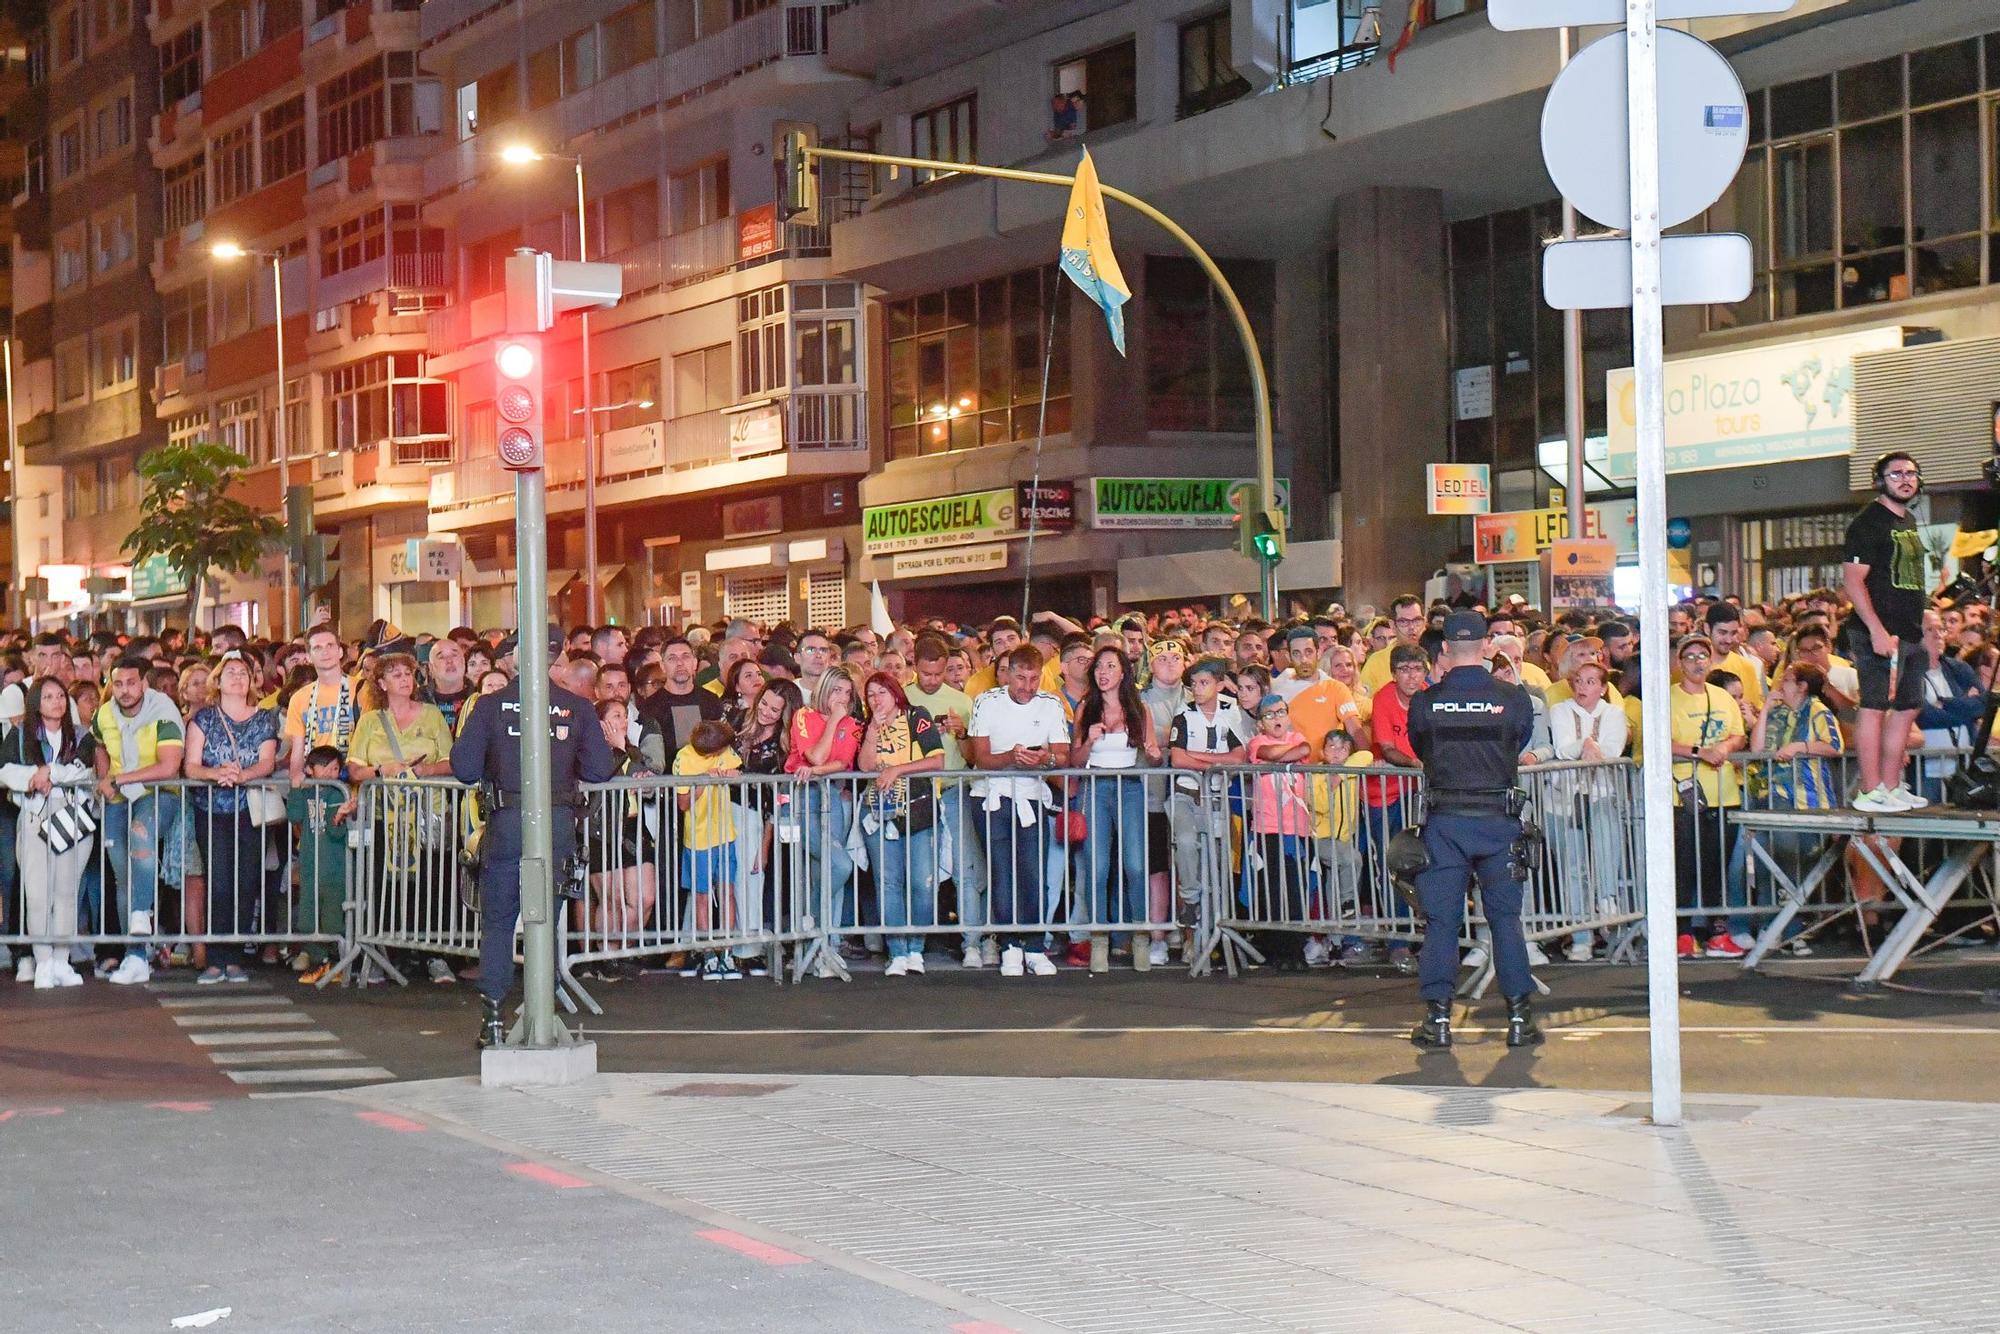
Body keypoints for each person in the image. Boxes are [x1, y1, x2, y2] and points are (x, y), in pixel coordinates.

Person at [451, 625, 616, 1047]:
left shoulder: (489, 707)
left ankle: (492, 1018)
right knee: (546, 919)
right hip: (557, 823)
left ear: (514, 655)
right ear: (557, 656)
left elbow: (465, 768)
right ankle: (542, 1009)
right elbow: (599, 770)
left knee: (500, 922)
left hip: (507, 821)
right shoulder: (575, 709)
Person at [1406, 612, 1540, 1050]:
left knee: (1442, 921)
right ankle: (1519, 1017)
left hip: (1446, 821)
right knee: (1505, 919)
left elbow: (1420, 748)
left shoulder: (1426, 702)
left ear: (1443, 648)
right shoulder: (1514, 698)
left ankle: (1438, 1019)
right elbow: (1517, 744)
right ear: (1487, 646)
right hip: (1498, 821)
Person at [345, 651, 458, 984]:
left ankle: (433, 955)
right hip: (385, 816)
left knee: (431, 885)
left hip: (426, 816)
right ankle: (383, 952)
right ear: (381, 683)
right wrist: (382, 769)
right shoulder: (370, 721)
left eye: (408, 673)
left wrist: (425, 770)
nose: (405, 680)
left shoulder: (433, 715)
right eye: (395, 675)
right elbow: (353, 768)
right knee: (382, 885)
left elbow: (452, 760)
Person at [968, 645, 1071, 977]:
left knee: (1032, 872)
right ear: (1007, 673)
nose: (1027, 686)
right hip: (992, 796)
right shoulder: (986, 702)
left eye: (1033, 678)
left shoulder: (1051, 703)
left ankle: (1035, 945)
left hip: (1032, 796)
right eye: (1021, 677)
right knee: (1002, 872)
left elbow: (1063, 757)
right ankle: (1010, 944)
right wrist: (1011, 758)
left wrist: (1043, 760)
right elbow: (980, 757)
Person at [1841, 451, 1931, 811]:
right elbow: (1853, 581)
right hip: (1877, 631)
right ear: (1880, 480)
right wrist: (1876, 629)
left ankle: (1892, 786)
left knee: (1908, 707)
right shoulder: (1867, 524)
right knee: (1874, 707)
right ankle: (1870, 789)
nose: (1905, 479)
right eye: (1896, 474)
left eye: (1911, 473)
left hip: (1909, 631)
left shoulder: (1907, 519)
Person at [184, 652, 280, 985]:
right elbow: (191, 765)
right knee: (219, 880)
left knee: (246, 880)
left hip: (249, 807)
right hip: (211, 807)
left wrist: (244, 774)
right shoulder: (204, 719)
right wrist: (216, 773)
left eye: (243, 672)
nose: (237, 678)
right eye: (230, 673)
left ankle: (236, 956)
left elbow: (268, 761)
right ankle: (215, 956)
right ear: (218, 681)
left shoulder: (264, 718)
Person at [91, 655, 186, 986]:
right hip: (118, 797)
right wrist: (106, 779)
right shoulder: (103, 713)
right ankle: (135, 956)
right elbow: (100, 745)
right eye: (118, 683)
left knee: (141, 839)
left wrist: (121, 779)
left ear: (144, 682)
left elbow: (169, 766)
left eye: (131, 682)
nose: (125, 690)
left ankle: (139, 917)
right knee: (122, 877)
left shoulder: (164, 712)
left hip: (159, 793)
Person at [2, 677, 98, 988]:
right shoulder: (19, 736)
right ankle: (42, 960)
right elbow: (5, 770)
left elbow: (83, 771)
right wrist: (33, 776)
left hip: (72, 818)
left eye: (60, 696)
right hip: (34, 817)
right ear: (35, 703)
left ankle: (61, 959)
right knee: (38, 893)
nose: (56, 702)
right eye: (48, 697)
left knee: (67, 892)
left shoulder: (81, 736)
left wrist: (51, 772)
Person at [1071, 646, 1160, 972]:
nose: (1103, 672)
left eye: (1110, 666)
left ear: (1123, 672)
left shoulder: (1139, 708)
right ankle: (1099, 941)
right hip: (1096, 787)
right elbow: (1075, 761)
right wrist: (1089, 742)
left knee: (1136, 866)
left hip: (1131, 787)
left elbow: (1154, 756)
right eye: (1099, 667)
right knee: (1097, 867)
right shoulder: (1086, 708)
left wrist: (1152, 752)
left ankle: (1139, 937)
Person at [857, 672, 945, 976]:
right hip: (879, 810)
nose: (876, 699)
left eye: (882, 692)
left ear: (895, 693)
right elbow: (865, 766)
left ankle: (916, 948)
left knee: (921, 883)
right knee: (889, 883)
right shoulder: (867, 726)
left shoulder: (917, 716)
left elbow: (937, 760)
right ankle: (896, 951)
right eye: (870, 694)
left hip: (917, 809)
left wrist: (898, 770)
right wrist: (871, 731)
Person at [906, 636, 987, 969]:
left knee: (965, 871)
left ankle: (972, 943)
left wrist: (962, 734)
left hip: (955, 790)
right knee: (920, 874)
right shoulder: (901, 698)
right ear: (915, 667)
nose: (933, 680)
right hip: (918, 794)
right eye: (926, 674)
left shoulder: (962, 701)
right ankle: (914, 945)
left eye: (938, 673)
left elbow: (973, 758)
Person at [1669, 633, 1748, 959]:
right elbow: (1662, 741)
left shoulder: (1722, 697)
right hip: (1685, 795)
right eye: (1690, 657)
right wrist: (1701, 752)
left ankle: (1718, 932)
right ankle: (1683, 933)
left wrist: (1724, 748)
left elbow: (1738, 735)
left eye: (1703, 655)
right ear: (1679, 663)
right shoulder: (1669, 698)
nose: (1697, 662)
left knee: (1718, 867)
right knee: (1685, 866)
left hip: (1724, 793)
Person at [1547, 659, 1629, 963]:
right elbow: (1563, 748)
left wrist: (1590, 747)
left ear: (1603, 688)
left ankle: (1607, 899)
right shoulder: (1560, 711)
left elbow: (1613, 750)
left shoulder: (1613, 713)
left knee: (1607, 838)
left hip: (1602, 792)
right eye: (1579, 681)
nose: (1583, 687)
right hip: (1565, 797)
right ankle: (1581, 936)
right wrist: (1588, 743)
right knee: (1574, 866)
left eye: (1591, 681)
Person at [1243, 695, 1315, 971]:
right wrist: (1288, 754)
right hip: (1268, 829)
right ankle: (1277, 950)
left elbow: (1305, 749)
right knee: (1273, 889)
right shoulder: (1257, 743)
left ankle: (1295, 950)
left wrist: (1286, 754)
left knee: (1297, 889)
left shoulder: (1299, 738)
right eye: (1269, 715)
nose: (1276, 718)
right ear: (1260, 723)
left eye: (1281, 713)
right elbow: (1269, 754)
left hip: (1297, 829)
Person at [674, 718, 744, 980]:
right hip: (698, 839)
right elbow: (683, 803)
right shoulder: (684, 757)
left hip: (725, 835)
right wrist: (705, 780)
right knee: (702, 896)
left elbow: (738, 770)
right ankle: (708, 955)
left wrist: (732, 775)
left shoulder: (725, 750)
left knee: (727, 892)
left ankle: (726, 952)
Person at [289, 745, 350, 985]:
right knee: (308, 918)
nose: (330, 773)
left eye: (335, 768)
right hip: (309, 869)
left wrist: (338, 819)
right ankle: (319, 961)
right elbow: (295, 816)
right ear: (310, 769)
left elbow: (337, 834)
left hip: (334, 870)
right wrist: (295, 788)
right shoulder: (306, 793)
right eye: (324, 767)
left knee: (333, 919)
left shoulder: (338, 794)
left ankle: (334, 963)